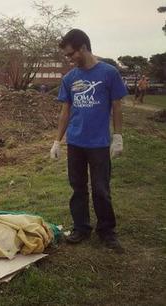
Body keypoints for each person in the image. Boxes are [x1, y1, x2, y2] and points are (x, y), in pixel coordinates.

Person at [49, 29, 126, 252]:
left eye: (71, 54)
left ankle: (107, 232)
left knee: (101, 188)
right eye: (66, 56)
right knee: (78, 187)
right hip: (76, 143)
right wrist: (57, 141)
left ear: (83, 47)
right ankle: (81, 228)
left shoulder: (109, 73)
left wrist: (118, 136)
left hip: (99, 143)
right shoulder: (70, 78)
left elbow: (117, 106)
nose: (69, 59)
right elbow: (66, 110)